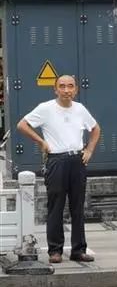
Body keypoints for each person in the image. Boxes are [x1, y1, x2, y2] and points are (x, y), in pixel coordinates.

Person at [17, 75, 101, 264]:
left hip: (77, 160)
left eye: (70, 86)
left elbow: (95, 129)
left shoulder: (80, 109)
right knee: (56, 206)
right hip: (56, 160)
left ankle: (78, 250)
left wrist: (89, 150)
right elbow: (22, 125)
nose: (66, 90)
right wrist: (41, 142)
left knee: (78, 206)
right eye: (62, 86)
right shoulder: (46, 108)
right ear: (55, 90)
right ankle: (55, 250)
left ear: (76, 90)